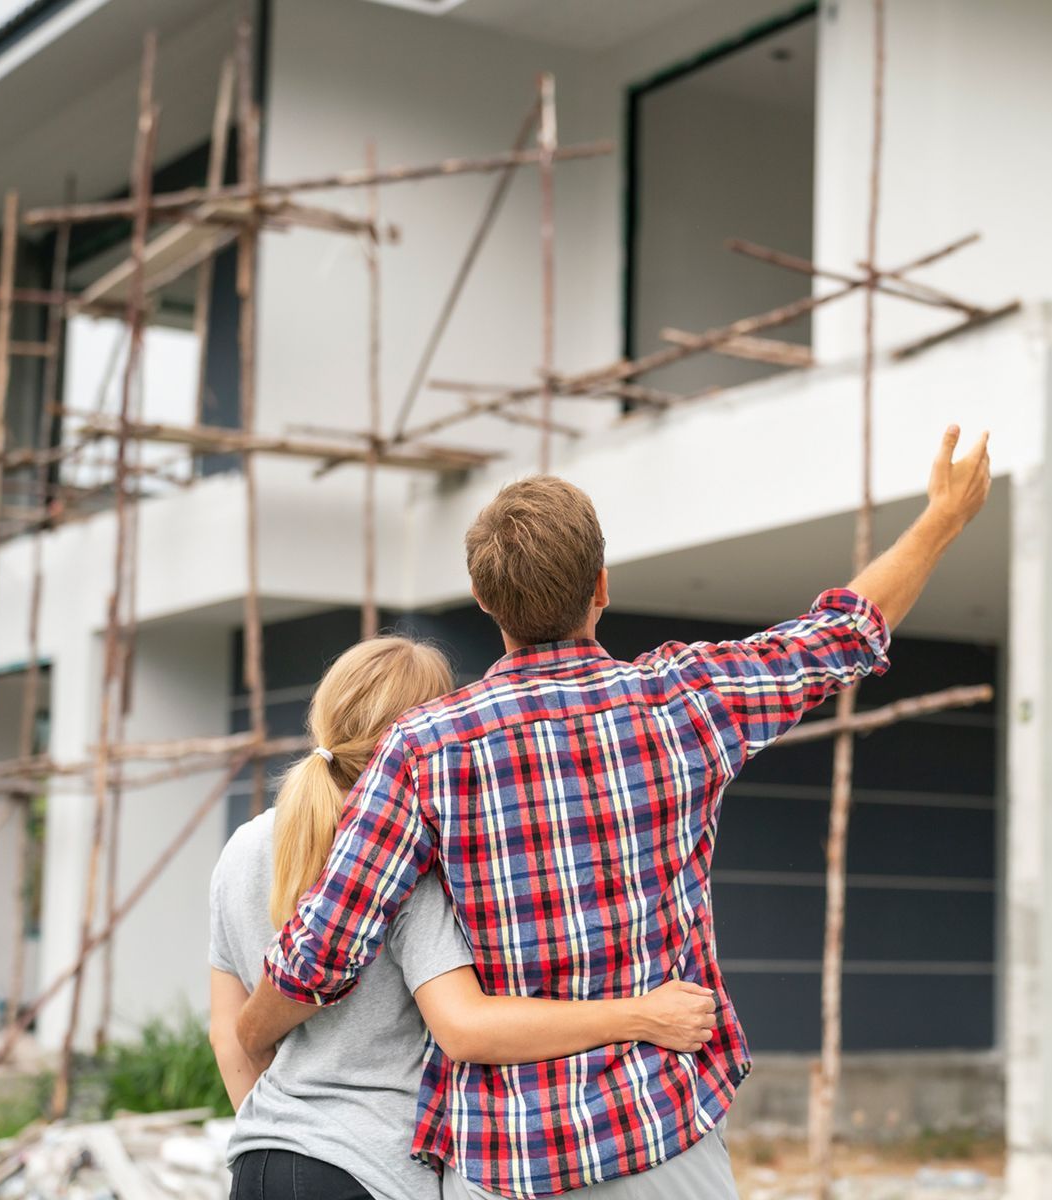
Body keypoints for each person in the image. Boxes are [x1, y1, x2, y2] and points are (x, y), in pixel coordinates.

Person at [239, 425, 994, 1198]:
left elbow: (326, 950)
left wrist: (249, 1031)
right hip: (663, 1135)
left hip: (509, 1163)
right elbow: (844, 632)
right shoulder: (684, 700)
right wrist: (942, 517)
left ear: (484, 600)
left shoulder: (422, 749)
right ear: (601, 585)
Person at [209, 636, 721, 1200]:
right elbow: (466, 1027)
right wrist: (642, 1016)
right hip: (370, 1170)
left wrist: (279, 1135)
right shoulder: (405, 861)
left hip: (258, 1162)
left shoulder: (242, 847)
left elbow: (229, 1034)